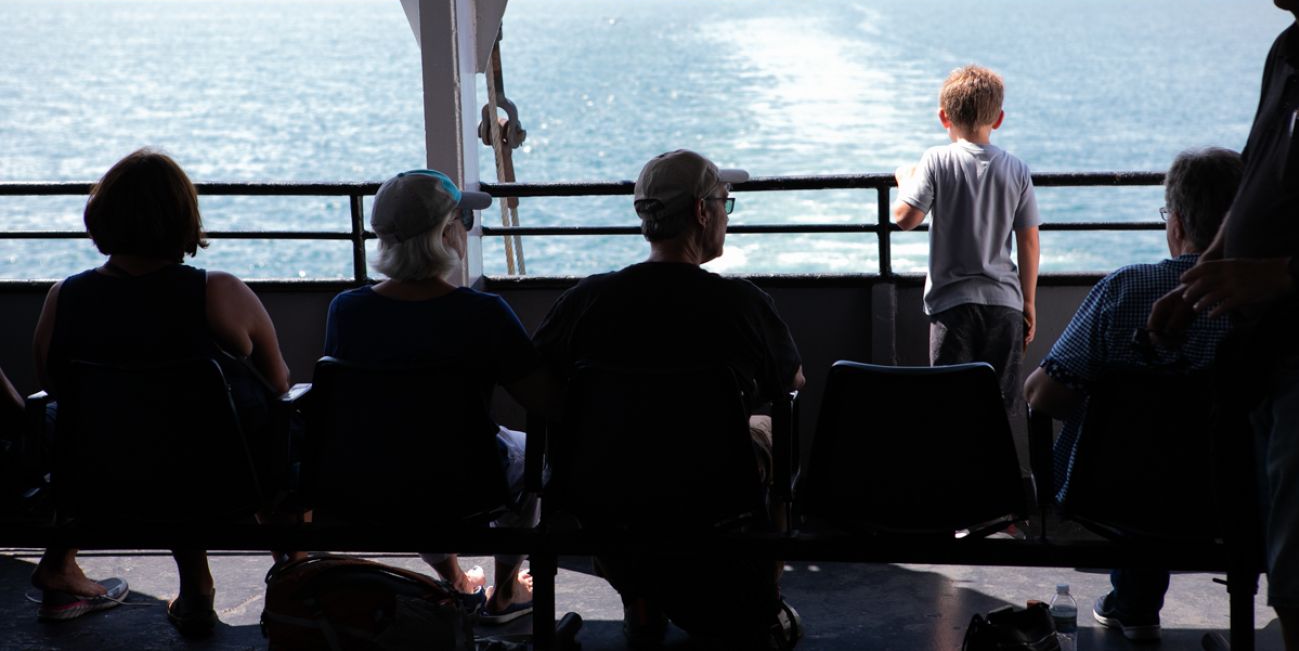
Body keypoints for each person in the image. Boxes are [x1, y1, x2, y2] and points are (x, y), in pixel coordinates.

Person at [533, 149, 805, 650]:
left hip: (608, 491)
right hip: (713, 491)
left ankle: (639, 598)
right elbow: (792, 381)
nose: (726, 213)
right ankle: (765, 596)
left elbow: (537, 381)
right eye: (724, 201)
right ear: (702, 212)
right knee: (767, 423)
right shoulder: (740, 304)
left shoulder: (586, 300)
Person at [29, 148, 291, 634]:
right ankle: (298, 578)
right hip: (220, 480)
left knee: (145, 428)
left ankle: (194, 588)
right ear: (183, 217)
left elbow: (52, 385)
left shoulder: (64, 296)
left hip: (102, 481)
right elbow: (279, 384)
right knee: (261, 427)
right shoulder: (219, 291)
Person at [1148, 0, 1299, 650]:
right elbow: (1253, 185)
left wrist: (1272, 276)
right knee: (1273, 543)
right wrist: (1201, 273)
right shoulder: (1287, 53)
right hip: (1264, 349)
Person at [1025, 146, 1243, 641]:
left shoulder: (1127, 289)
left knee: (1148, 461)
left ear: (1179, 222)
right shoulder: (1264, 301)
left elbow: (1042, 396)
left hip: (1119, 490)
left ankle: (1134, 602)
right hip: (1238, 491)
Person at [323, 169, 555, 625]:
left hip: (374, 480)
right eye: (463, 220)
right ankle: (505, 592)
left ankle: (454, 579)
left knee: (410, 445)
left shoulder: (346, 310)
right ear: (447, 234)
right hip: (467, 483)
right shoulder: (483, 313)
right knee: (530, 453)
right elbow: (544, 400)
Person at [892, 64, 1041, 408]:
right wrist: (1028, 302)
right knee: (997, 408)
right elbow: (1029, 241)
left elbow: (905, 219)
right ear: (999, 118)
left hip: (952, 306)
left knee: (951, 406)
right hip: (1005, 304)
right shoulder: (1017, 168)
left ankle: (957, 463)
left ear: (944, 117)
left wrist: (905, 182)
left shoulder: (935, 159)